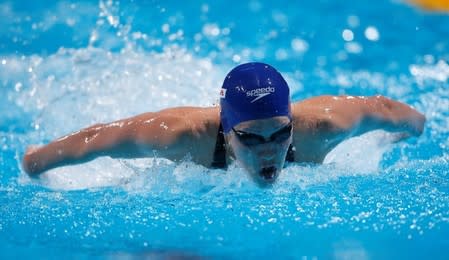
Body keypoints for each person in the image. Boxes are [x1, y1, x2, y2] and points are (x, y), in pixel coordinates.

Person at [22, 62, 425, 187]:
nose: (269, 148)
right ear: (227, 130)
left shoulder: (321, 127)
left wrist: (414, 129)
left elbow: (385, 108)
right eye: (251, 137)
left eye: (280, 133)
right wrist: (35, 161)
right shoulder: (183, 136)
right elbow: (101, 138)